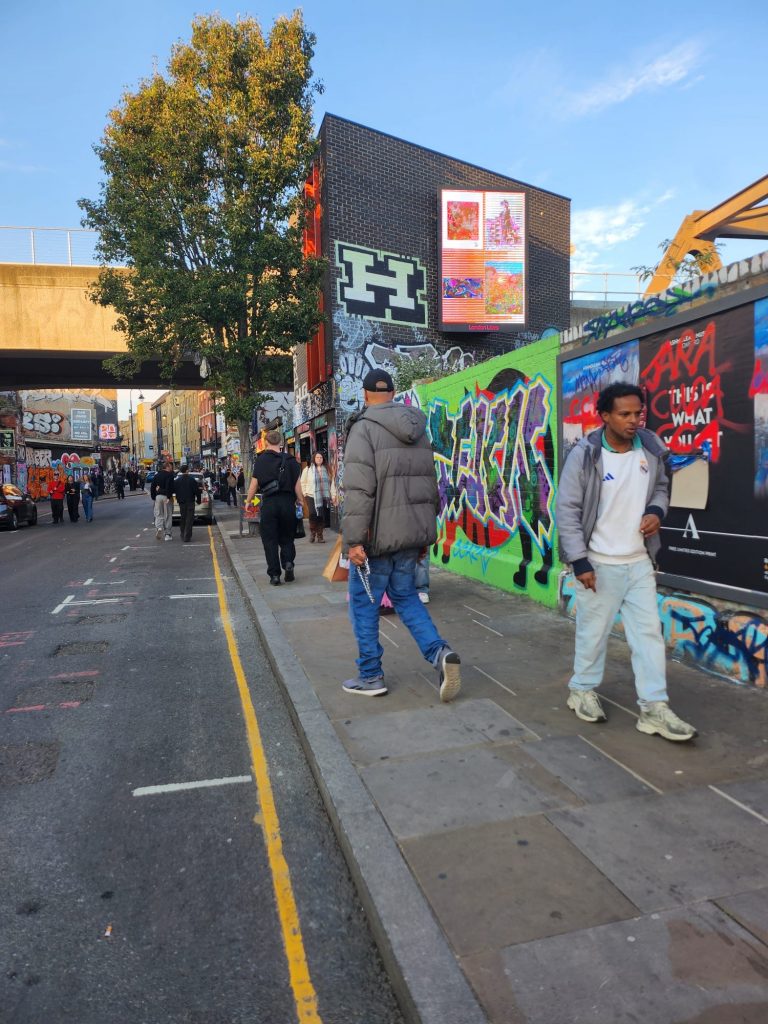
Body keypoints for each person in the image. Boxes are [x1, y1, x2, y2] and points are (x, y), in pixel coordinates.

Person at [555, 381, 696, 742]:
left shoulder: (650, 448)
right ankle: (582, 689)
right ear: (605, 416)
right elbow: (567, 511)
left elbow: (662, 486)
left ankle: (654, 708)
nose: (634, 420)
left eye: (639, 413)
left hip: (639, 562)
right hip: (598, 563)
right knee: (593, 633)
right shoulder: (585, 455)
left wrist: (655, 511)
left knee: (648, 635)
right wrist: (580, 562)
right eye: (625, 414)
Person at [342, 368, 461, 701]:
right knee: (406, 597)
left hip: (377, 539)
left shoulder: (363, 429)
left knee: (364, 607)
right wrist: (423, 536)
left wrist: (354, 541)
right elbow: (429, 485)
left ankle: (370, 675)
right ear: (394, 394)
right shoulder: (419, 429)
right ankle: (440, 653)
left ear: (366, 395)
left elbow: (358, 491)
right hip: (411, 534)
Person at [246, 429, 303, 585]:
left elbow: (254, 483)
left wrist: (248, 501)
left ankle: (275, 575)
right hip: (287, 503)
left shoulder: (261, 460)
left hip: (269, 503)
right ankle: (288, 563)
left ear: (265, 442)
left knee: (270, 540)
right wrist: (300, 501)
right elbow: (297, 485)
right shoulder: (291, 461)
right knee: (287, 537)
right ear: (281, 442)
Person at [300, 451, 334, 543]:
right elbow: (302, 482)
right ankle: (312, 533)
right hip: (311, 495)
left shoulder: (327, 469)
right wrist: (305, 493)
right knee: (313, 514)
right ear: (314, 459)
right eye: (317, 457)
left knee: (321, 516)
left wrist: (333, 495)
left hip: (323, 496)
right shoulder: (307, 469)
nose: (319, 459)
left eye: (321, 458)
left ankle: (320, 535)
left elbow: (332, 483)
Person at [174, 464, 201, 542]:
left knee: (183, 518)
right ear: (187, 470)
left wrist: (178, 498)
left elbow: (175, 491)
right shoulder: (192, 480)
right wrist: (198, 500)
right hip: (190, 501)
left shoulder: (177, 481)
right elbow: (197, 491)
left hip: (181, 502)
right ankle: (187, 535)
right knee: (189, 519)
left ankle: (182, 533)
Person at [151, 460, 175, 541]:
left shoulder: (157, 475)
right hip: (166, 497)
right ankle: (167, 534)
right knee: (168, 515)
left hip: (158, 497)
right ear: (167, 467)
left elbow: (152, 486)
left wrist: (154, 497)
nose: (172, 468)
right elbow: (169, 486)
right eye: (171, 467)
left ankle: (159, 528)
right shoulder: (170, 475)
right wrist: (169, 496)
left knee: (158, 514)